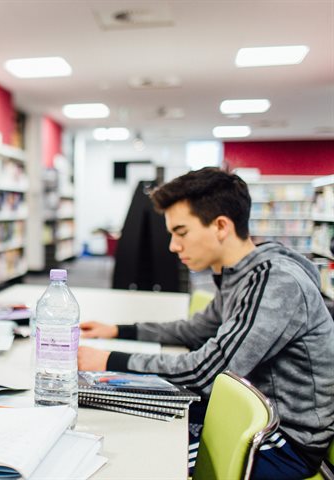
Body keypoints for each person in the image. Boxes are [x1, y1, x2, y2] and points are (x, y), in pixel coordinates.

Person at [77, 167, 334, 479]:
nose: (173, 246)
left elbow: (206, 372)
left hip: (281, 439)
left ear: (221, 226)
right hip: (243, 410)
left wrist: (107, 360)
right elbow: (194, 330)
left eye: (181, 232)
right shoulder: (240, 273)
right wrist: (118, 331)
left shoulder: (274, 282)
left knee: (138, 461)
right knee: (116, 416)